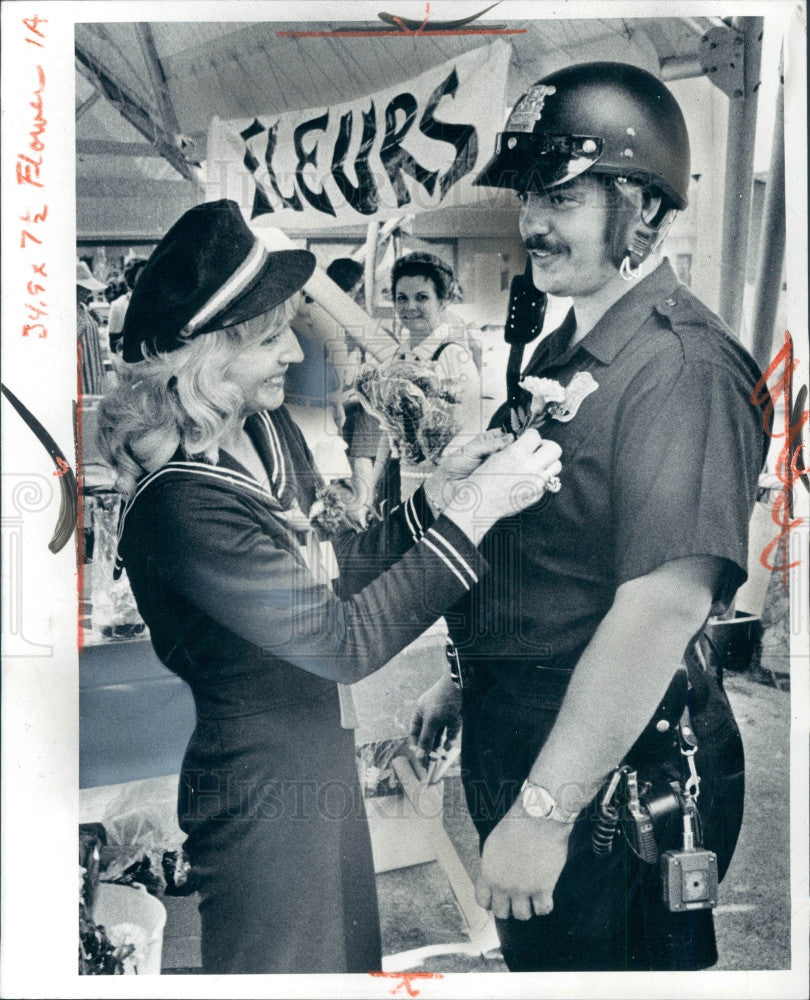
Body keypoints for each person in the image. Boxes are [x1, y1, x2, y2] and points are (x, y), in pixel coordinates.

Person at [95, 199, 563, 975]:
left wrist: (436, 500)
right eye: (271, 336)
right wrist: (479, 512)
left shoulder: (261, 429)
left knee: (346, 964)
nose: (294, 353)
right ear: (206, 355)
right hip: (259, 788)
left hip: (319, 757)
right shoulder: (181, 503)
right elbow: (340, 641)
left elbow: (333, 569)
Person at [407, 62, 770, 971]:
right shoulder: (574, 349)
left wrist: (546, 810)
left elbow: (660, 610)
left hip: (612, 771)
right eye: (530, 193)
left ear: (644, 208)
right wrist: (467, 672)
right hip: (535, 726)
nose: (533, 220)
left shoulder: (679, 368)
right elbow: (555, 550)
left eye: (562, 193)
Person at [352, 251, 484, 513]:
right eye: (402, 298)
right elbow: (388, 432)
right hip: (400, 479)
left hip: (439, 488)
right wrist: (371, 491)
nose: (410, 307)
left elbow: (470, 435)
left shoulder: (453, 355)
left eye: (421, 297)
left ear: (443, 301)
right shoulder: (400, 356)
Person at [76, 259, 107, 396]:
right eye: (84, 289)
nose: (87, 293)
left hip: (94, 372)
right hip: (80, 377)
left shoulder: (83, 308)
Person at [107, 256, 147, 355]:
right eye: (142, 276)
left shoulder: (158, 303)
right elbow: (114, 345)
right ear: (132, 279)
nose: (148, 279)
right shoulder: (119, 305)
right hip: (132, 364)